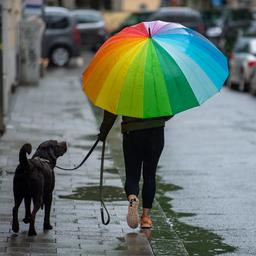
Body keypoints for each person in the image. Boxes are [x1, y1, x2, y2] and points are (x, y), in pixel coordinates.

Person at [98, 110, 172, 229]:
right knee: (150, 174)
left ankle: (133, 198)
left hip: (132, 131)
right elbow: (169, 110)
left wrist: (103, 132)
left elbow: (112, 109)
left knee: (132, 175)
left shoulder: (124, 90)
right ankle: (146, 218)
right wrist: (160, 119)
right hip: (156, 130)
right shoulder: (157, 90)